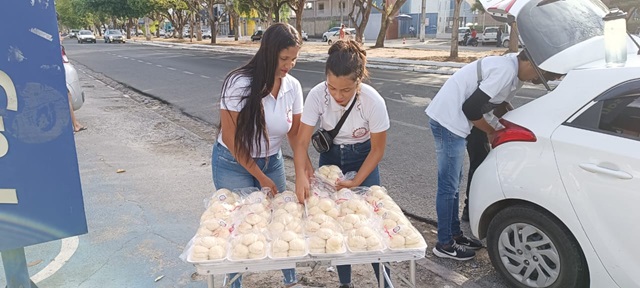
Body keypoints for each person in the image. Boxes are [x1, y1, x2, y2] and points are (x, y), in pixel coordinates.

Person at [424, 50, 552, 261]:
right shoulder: (505, 70)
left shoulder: (513, 72)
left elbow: (499, 104)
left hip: (454, 122)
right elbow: (471, 108)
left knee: (454, 184)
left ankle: (455, 234)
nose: (535, 80)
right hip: (448, 122)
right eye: (538, 74)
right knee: (448, 186)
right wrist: (491, 131)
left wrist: (514, 123)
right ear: (528, 62)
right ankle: (444, 244)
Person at [211, 23, 305, 288]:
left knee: (282, 222)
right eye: (284, 58)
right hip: (232, 162)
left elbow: (296, 135)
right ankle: (235, 283)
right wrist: (261, 177)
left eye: (294, 58)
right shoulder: (239, 83)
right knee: (240, 227)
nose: (289, 65)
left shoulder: (293, 87)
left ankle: (290, 281)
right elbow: (231, 138)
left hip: (271, 160)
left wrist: (301, 173)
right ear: (268, 53)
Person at [293, 40, 391, 288]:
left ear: (359, 81)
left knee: (373, 221)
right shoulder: (317, 95)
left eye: (346, 90)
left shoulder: (372, 101)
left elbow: (378, 149)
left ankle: (385, 282)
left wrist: (357, 181)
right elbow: (301, 142)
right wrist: (301, 175)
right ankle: (345, 283)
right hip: (331, 159)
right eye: (332, 88)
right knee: (335, 222)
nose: (338, 96)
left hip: (364, 158)